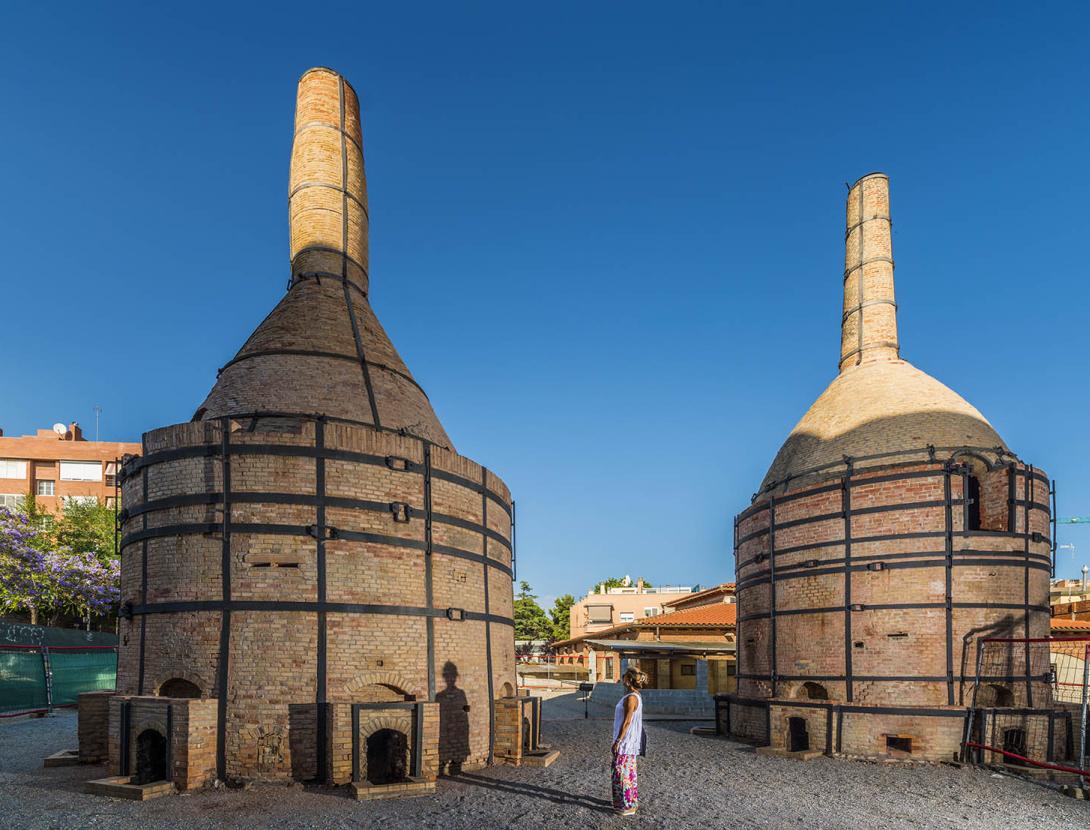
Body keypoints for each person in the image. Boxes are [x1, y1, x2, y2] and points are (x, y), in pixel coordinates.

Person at [610, 667, 644, 815]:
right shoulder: (634, 695)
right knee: (627, 772)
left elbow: (627, 722)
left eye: (624, 676)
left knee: (621, 773)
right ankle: (629, 801)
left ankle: (627, 805)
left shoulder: (631, 698)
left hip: (626, 742)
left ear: (629, 680)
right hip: (628, 741)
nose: (622, 678)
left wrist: (618, 741)